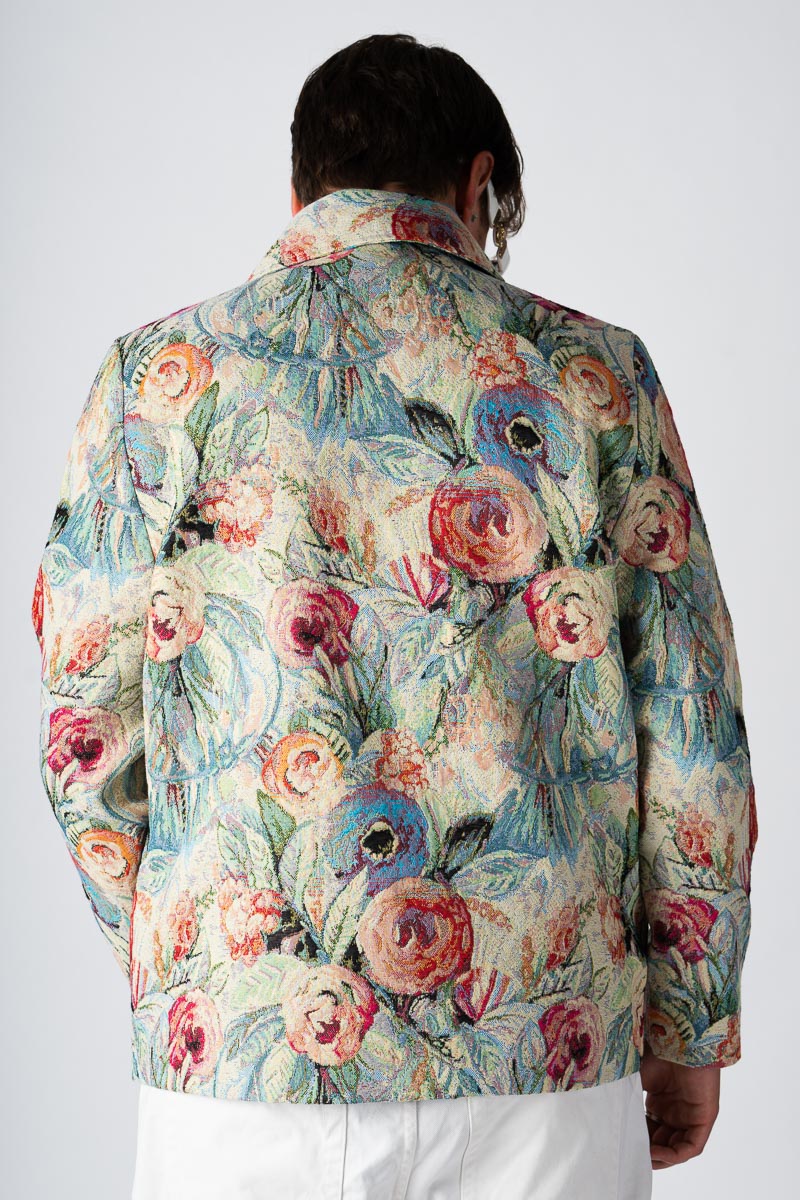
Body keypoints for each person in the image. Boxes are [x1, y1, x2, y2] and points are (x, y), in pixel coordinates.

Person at [31, 31, 757, 1200]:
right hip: (542, 1049)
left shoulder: (154, 380)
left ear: (299, 193)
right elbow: (690, 730)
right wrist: (689, 1020)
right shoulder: (596, 375)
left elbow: (86, 735)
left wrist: (200, 958)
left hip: (246, 1069)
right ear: (478, 184)